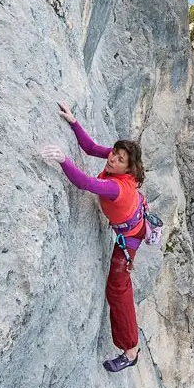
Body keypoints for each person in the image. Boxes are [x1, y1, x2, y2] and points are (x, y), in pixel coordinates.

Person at [40, 101, 147, 373]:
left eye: (120, 159)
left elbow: (86, 183)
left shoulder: (115, 186)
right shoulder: (119, 167)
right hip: (135, 222)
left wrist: (63, 160)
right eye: (114, 153)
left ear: (128, 169)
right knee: (121, 286)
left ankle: (131, 349)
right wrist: (74, 121)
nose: (112, 159)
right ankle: (130, 345)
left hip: (130, 237)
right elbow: (90, 148)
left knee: (118, 288)